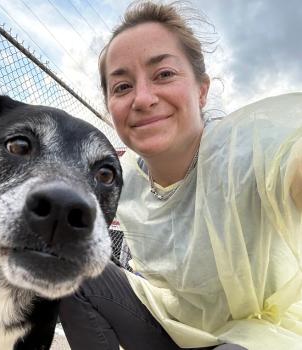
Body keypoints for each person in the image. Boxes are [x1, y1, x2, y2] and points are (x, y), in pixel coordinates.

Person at [58, 1, 302, 349]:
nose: (142, 98)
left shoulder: (244, 148)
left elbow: (287, 160)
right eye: (123, 87)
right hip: (170, 325)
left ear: (201, 90)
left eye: (164, 75)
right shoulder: (120, 177)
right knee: (74, 270)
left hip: (255, 334)